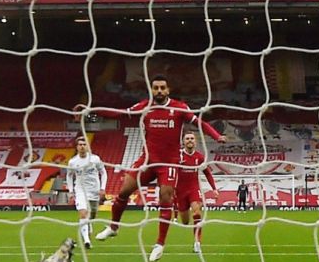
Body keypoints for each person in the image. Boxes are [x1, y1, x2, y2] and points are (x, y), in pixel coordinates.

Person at [87, 75, 227, 241]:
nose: (159, 91)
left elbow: (200, 123)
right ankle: (113, 227)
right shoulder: (145, 106)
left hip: (168, 163)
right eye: (156, 88)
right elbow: (120, 114)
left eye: (162, 88)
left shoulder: (180, 107)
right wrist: (92, 109)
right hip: (147, 160)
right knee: (123, 192)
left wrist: (217, 136)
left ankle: (160, 244)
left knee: (166, 200)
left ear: (168, 90)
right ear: (151, 89)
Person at [152, 131, 215, 259]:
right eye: (187, 139)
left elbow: (207, 173)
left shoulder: (200, 157)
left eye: (192, 138)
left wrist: (214, 189)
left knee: (197, 212)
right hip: (180, 192)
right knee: (185, 221)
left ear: (195, 141)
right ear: (183, 141)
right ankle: (188, 225)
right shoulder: (177, 156)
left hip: (194, 189)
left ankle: (197, 242)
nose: (190, 140)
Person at [66, 136, 107, 249]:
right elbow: (69, 176)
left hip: (94, 190)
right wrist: (71, 191)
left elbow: (103, 173)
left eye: (84, 144)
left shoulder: (95, 159)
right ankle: (87, 240)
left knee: (92, 214)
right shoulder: (73, 162)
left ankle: (89, 224)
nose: (82, 147)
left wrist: (102, 188)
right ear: (77, 147)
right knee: (83, 213)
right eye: (80, 145)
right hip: (80, 190)